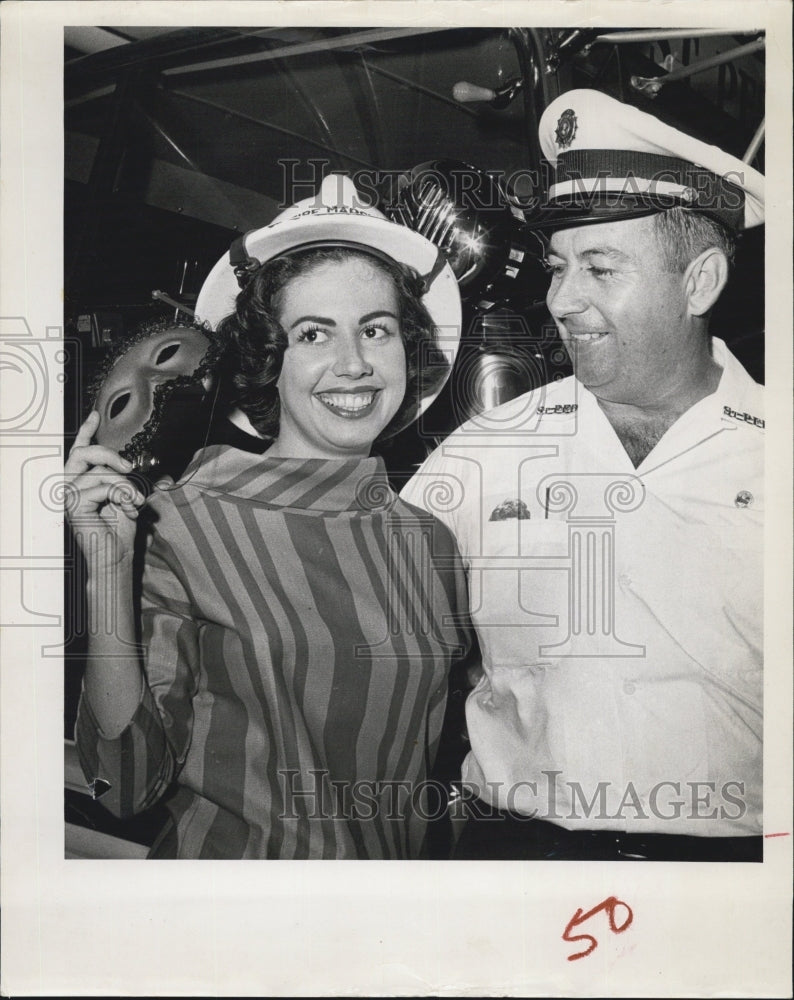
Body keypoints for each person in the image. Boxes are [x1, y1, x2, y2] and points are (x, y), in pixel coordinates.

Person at [401, 88, 765, 861]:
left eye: (600, 269)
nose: (562, 300)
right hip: (513, 860)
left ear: (699, 283)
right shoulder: (483, 450)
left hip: (725, 879)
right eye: (559, 267)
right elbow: (362, 622)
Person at [67, 174, 474, 859]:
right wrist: (107, 571)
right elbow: (124, 784)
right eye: (314, 334)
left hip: (381, 936)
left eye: (375, 330)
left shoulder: (431, 543)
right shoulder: (181, 522)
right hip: (230, 929)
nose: (354, 364)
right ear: (268, 360)